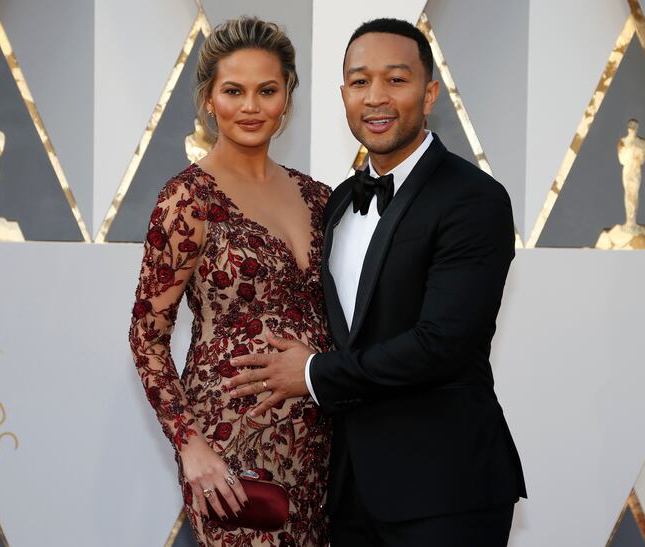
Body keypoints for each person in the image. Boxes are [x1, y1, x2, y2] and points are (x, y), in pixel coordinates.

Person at [226, 18, 526, 546]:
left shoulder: (474, 199)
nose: (376, 98)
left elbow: (445, 344)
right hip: (347, 492)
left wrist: (315, 373)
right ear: (343, 95)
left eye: (396, 79)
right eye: (360, 82)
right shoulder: (339, 200)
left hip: (445, 490)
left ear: (429, 92)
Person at [128, 17, 331, 546]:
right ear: (208, 100)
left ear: (287, 96)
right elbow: (146, 337)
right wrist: (190, 444)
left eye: (267, 90)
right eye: (233, 91)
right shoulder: (187, 200)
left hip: (322, 442)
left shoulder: (320, 197)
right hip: (230, 443)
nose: (250, 106)